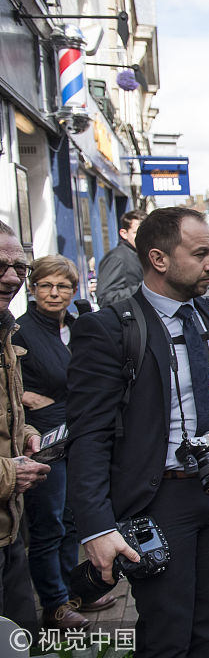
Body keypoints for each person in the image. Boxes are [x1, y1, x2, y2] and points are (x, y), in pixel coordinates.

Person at [66, 207, 209, 657]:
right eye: (201, 254)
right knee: (165, 634)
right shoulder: (109, 329)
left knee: (206, 625)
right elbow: (89, 436)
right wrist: (96, 528)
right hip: (159, 502)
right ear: (159, 259)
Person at [14, 256, 116, 630]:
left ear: (75, 290)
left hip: (79, 435)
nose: (54, 293)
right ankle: (54, 606)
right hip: (42, 441)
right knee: (48, 525)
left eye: (63, 286)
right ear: (33, 288)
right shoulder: (20, 332)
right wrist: (26, 396)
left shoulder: (77, 326)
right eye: (45, 285)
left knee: (74, 520)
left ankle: (73, 593)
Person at [0, 222, 48, 635]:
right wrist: (9, 474)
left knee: (18, 636)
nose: (12, 277)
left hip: (10, 527)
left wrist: (26, 432)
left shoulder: (4, 330)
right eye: (0, 266)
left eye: (20, 268)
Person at [95, 210, 147, 307]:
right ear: (124, 233)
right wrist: (146, 289)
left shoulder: (141, 255)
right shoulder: (117, 257)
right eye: (137, 232)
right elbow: (105, 298)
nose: (143, 237)